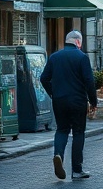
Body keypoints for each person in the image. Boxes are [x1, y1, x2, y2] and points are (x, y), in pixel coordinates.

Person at [40, 30, 98, 181]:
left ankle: (58, 154)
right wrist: (93, 101)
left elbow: (44, 78)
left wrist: (53, 93)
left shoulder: (54, 57)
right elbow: (89, 82)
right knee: (78, 132)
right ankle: (77, 170)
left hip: (59, 100)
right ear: (78, 42)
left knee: (62, 129)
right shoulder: (82, 57)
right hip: (78, 101)